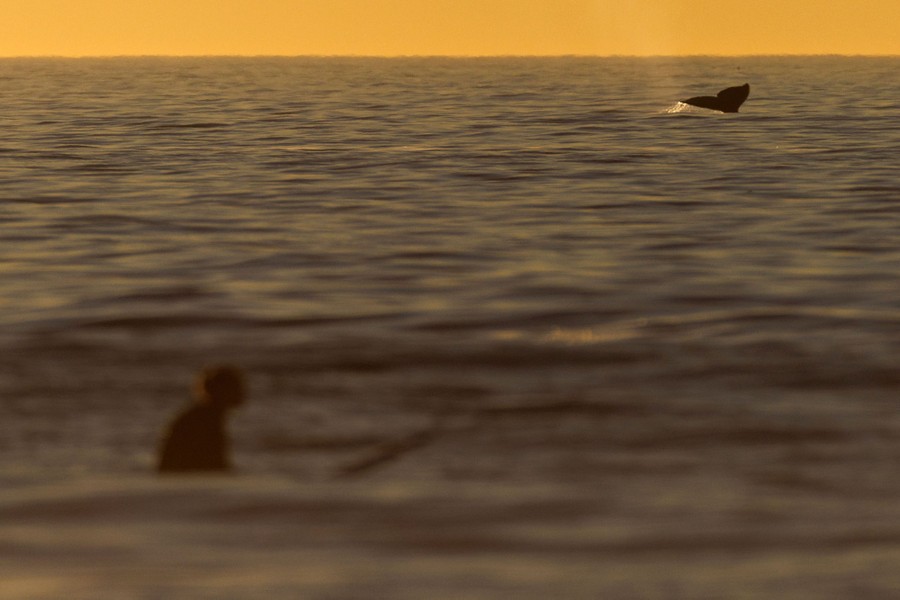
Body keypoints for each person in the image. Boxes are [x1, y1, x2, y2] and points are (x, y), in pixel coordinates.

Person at [157, 365, 246, 474]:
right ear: (221, 390)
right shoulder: (205, 419)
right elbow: (215, 462)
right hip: (183, 476)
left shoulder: (204, 415)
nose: (243, 392)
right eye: (236, 387)